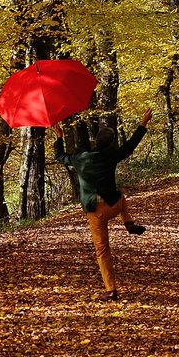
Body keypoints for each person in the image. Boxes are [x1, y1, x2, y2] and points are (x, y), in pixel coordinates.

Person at [54, 110, 152, 299]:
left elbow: (60, 156)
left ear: (95, 140)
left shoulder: (80, 158)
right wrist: (143, 122)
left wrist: (60, 137)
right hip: (114, 206)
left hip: (95, 211)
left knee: (102, 250)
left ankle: (111, 290)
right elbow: (131, 146)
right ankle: (128, 222)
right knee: (120, 195)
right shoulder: (111, 156)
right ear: (110, 143)